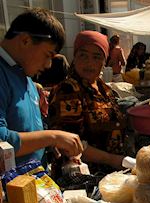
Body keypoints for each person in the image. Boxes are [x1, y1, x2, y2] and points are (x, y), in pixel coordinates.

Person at [0, 8, 83, 166]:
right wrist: (53, 137)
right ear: (25, 40)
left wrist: (53, 146)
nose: (48, 65)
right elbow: (2, 142)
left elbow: (30, 131)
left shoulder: (24, 75)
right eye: (48, 55)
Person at [48, 31, 127, 172]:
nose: (89, 63)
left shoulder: (103, 88)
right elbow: (68, 145)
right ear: (75, 57)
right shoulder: (68, 90)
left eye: (97, 57)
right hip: (82, 176)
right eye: (83, 55)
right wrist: (111, 159)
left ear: (104, 61)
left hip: (111, 172)